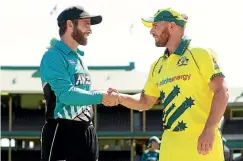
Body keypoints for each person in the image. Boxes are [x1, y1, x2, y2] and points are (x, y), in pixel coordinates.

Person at [105, 8, 229, 161]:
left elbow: (222, 91)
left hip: (203, 144)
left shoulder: (200, 54)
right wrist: (119, 98)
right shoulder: (157, 66)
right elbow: (145, 101)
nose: (151, 31)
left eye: (155, 26)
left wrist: (209, 129)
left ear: (171, 26)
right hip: (170, 147)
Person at [39, 6, 120, 161]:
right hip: (61, 132)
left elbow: (82, 92)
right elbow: (66, 95)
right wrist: (101, 96)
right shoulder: (53, 56)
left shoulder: (79, 58)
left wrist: (105, 94)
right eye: (86, 24)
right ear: (70, 24)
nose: (90, 30)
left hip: (87, 131)